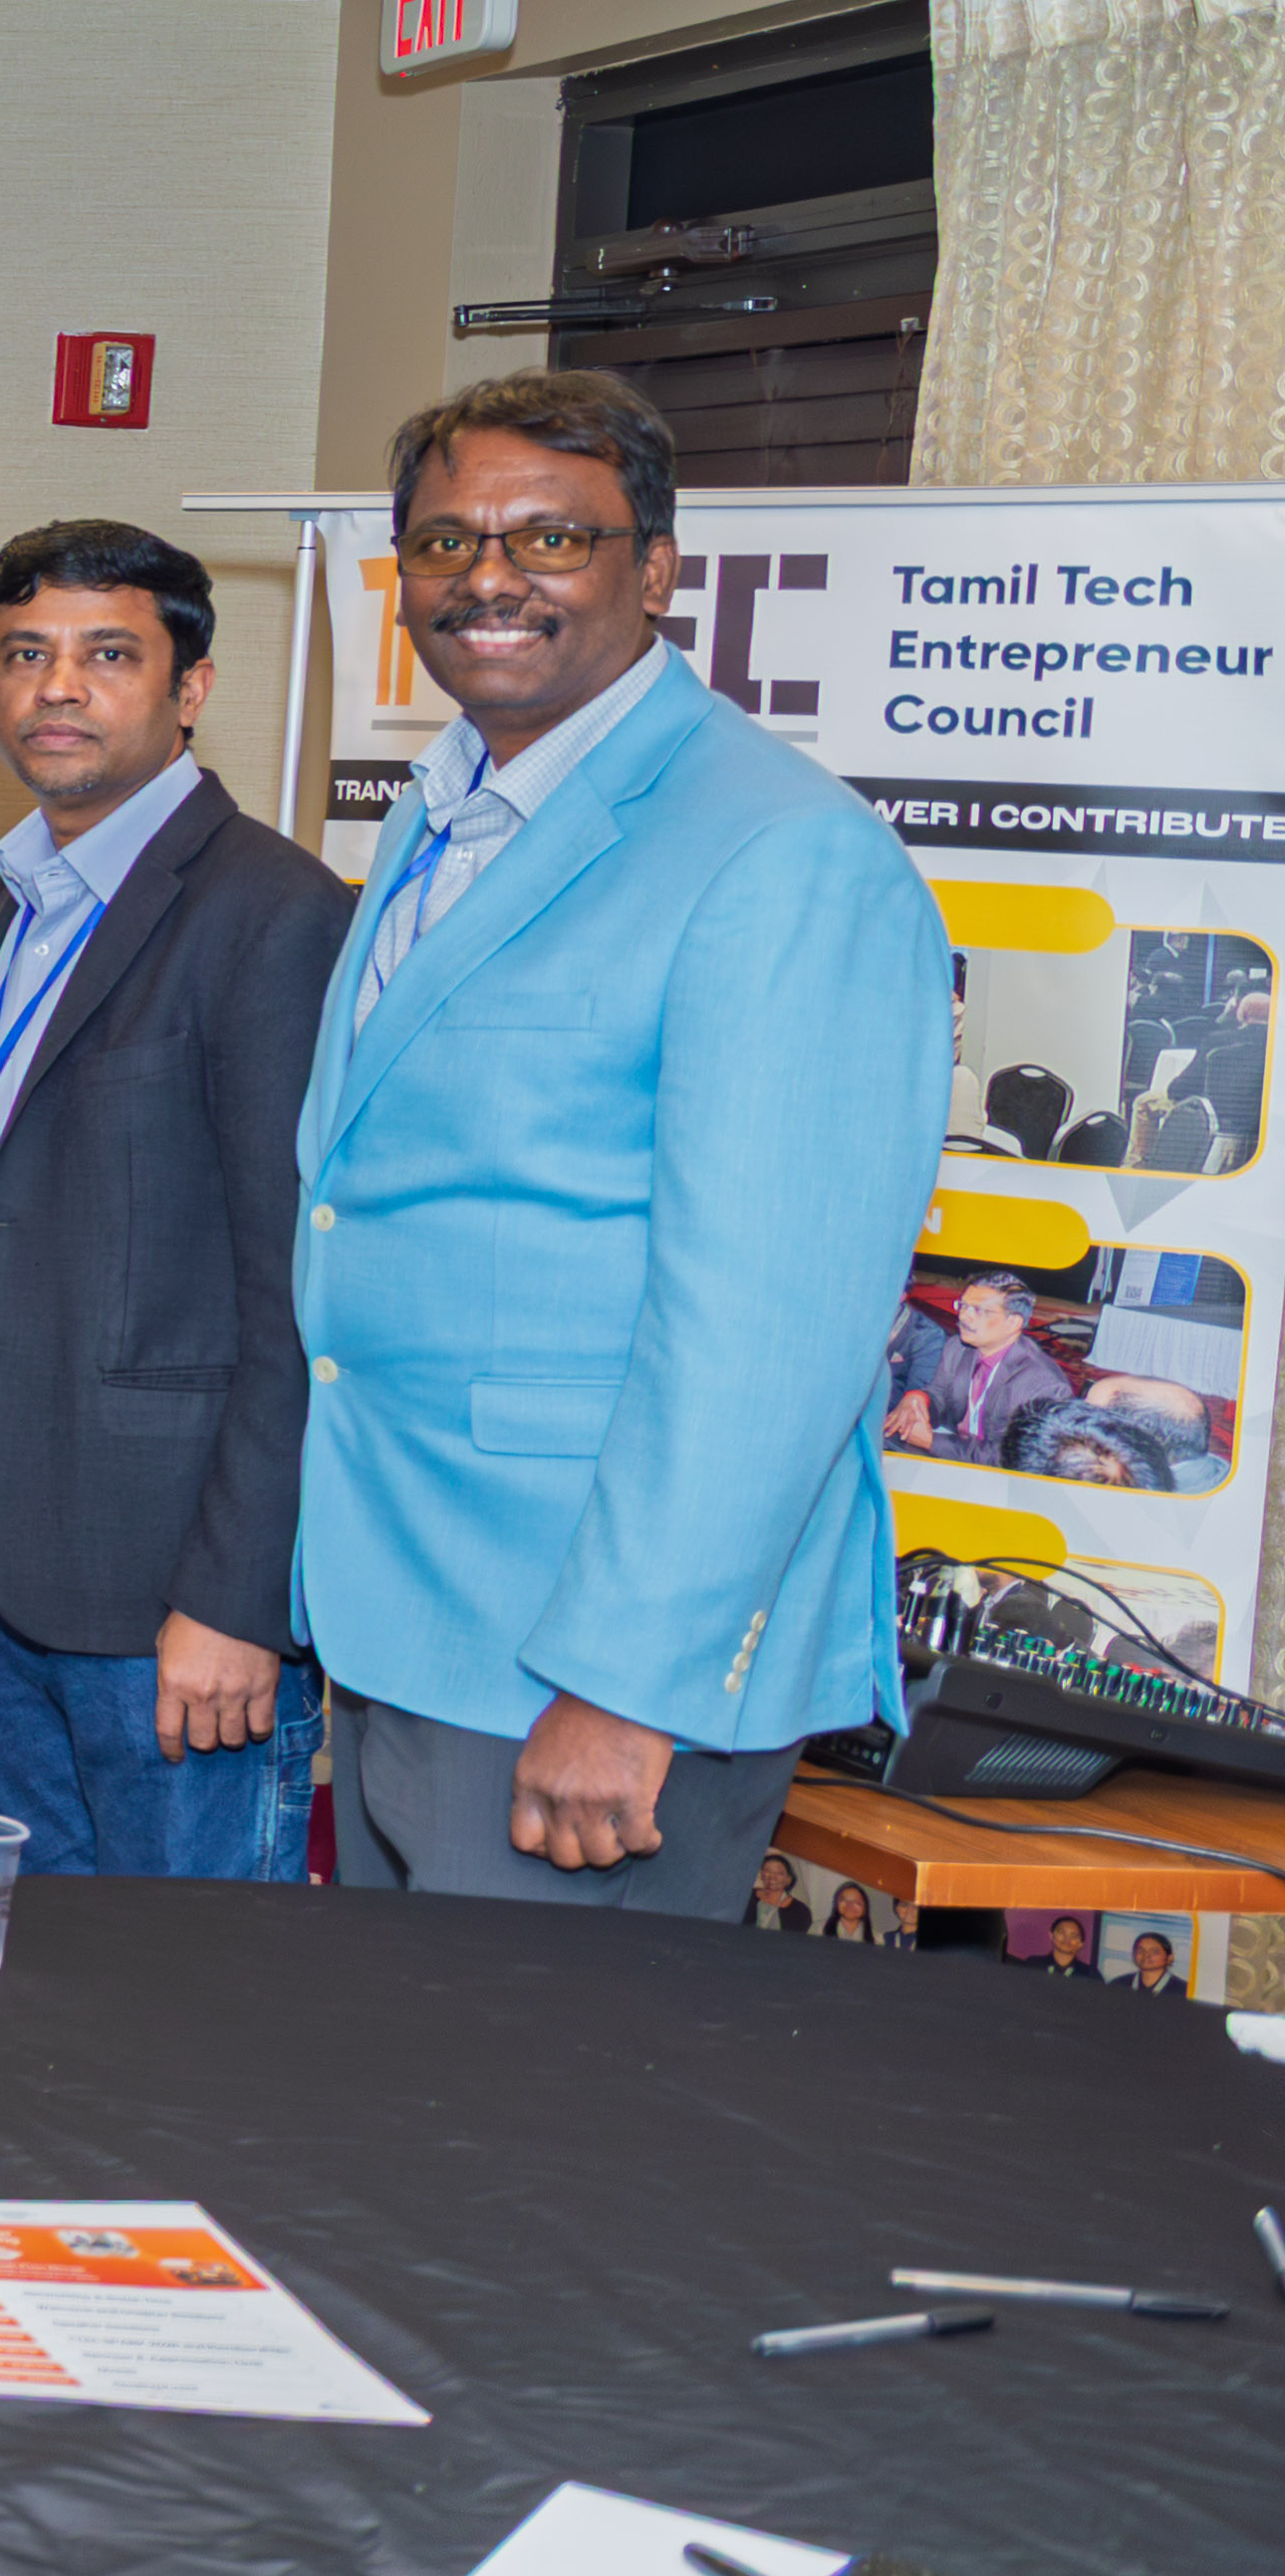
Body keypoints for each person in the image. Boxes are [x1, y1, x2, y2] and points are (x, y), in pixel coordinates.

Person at [303, 372, 948, 1911]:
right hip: (414, 1605)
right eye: (447, 541)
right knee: (399, 2123)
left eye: (551, 539)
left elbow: (772, 1327)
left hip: (581, 1665)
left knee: (534, 2139)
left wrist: (627, 1682)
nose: (489, 578)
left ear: (656, 570)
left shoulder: (783, 854)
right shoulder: (443, 807)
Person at [0, 522, 354, 1887]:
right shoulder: (21, 895)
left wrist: (236, 1595)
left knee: (181, 2009)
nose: (58, 687)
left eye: (107, 655)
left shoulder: (271, 914)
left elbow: (295, 1288)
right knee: (30, 1985)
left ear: (190, 690)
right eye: (26, 655)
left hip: (167, 1578)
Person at [887, 1275, 1058, 1463]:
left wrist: (931, 1441)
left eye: (979, 1310)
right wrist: (918, 1399)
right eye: (963, 1306)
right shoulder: (957, 1348)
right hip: (953, 1453)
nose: (964, 1316)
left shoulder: (1042, 1383)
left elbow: (1012, 1457)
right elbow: (938, 1395)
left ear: (1013, 1322)